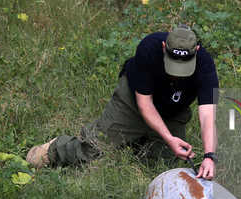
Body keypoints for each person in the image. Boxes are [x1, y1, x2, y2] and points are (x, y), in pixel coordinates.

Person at [26, 23, 219, 180]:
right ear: (163, 49)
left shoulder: (205, 66)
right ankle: (55, 148)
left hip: (173, 110)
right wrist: (169, 139)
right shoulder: (149, 48)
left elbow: (208, 116)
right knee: (94, 148)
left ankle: (137, 142)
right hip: (134, 103)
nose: (177, 75)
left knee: (162, 167)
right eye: (173, 65)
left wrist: (209, 157)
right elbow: (145, 104)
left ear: (197, 52)